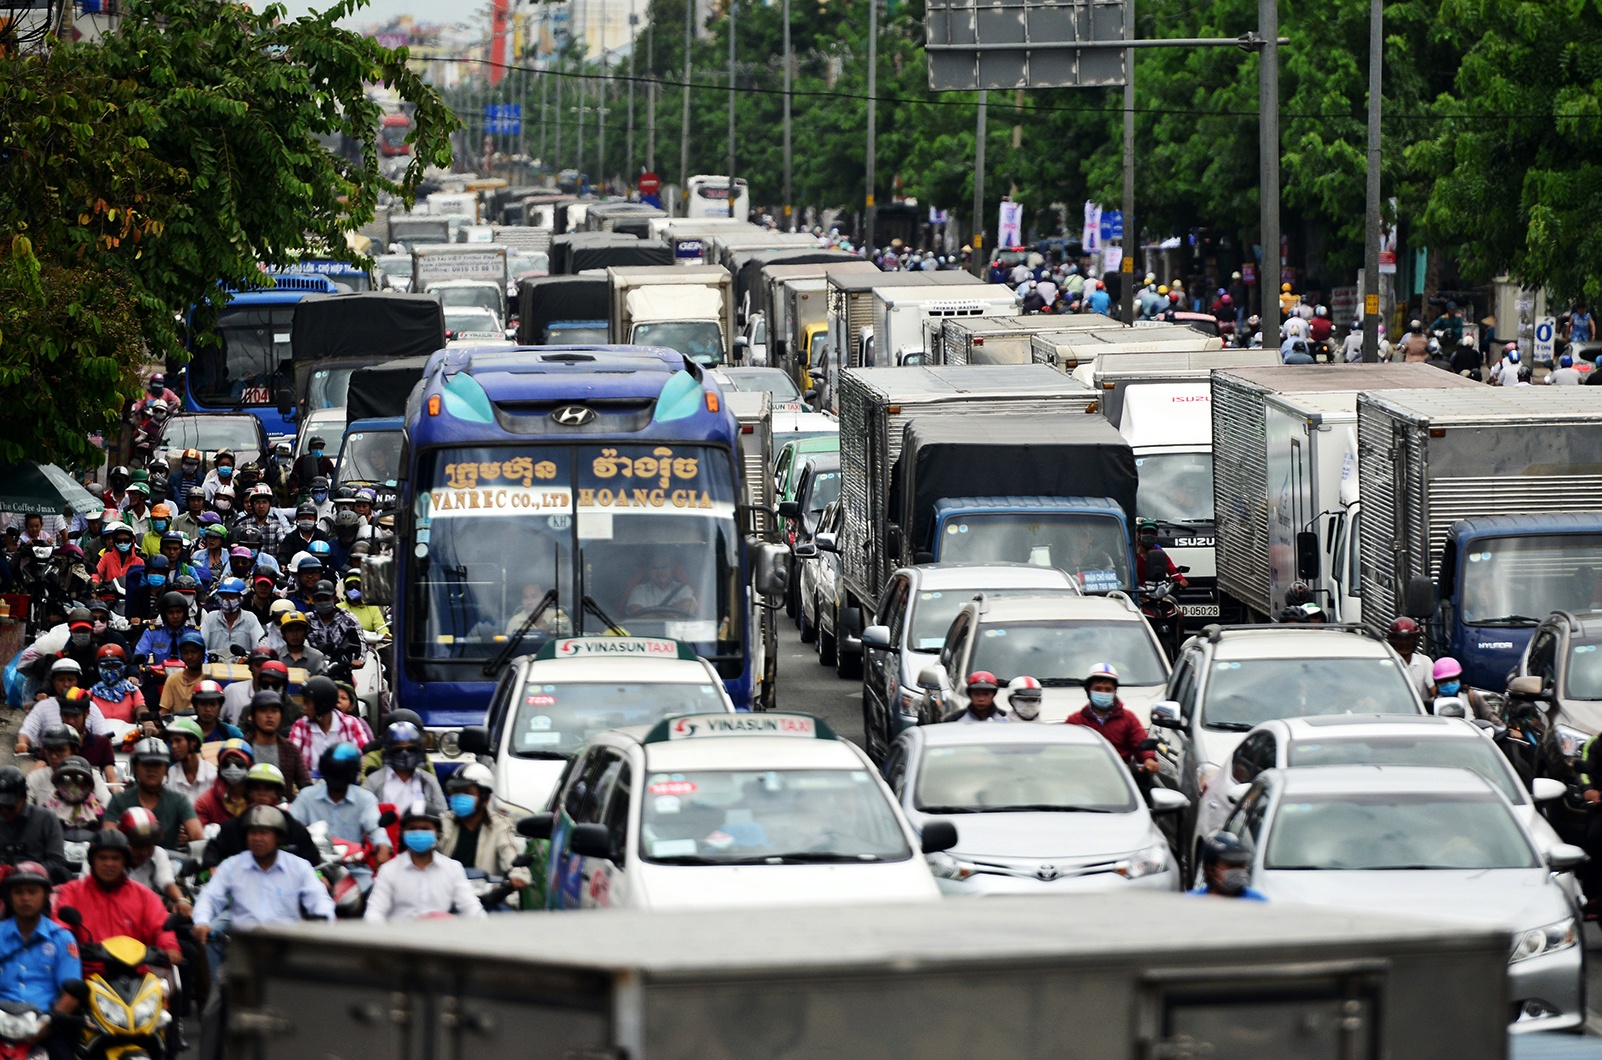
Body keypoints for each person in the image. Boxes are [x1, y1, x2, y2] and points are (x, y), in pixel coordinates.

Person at [192, 805, 335, 951]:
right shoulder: (231, 866)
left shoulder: (299, 867)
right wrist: (202, 922)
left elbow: (319, 900)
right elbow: (210, 897)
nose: (257, 838)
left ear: (278, 837)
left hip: (286, 947)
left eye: (263, 833)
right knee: (210, 942)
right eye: (252, 833)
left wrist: (323, 923)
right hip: (242, 947)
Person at [52, 829, 181, 968]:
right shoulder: (71, 891)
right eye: (102, 858)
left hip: (136, 975)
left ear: (125, 862)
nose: (109, 864)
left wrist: (170, 948)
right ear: (92, 861)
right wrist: (68, 948)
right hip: (87, 975)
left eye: (115, 858)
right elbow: (60, 929)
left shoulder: (144, 895)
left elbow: (161, 927)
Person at [0, 861, 82, 1060]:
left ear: (46, 894)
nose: (25, 898)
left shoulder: (63, 938)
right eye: (18, 892)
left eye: (32, 891)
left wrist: (45, 1027)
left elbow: (71, 994)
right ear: (10, 897)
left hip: (45, 1026)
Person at [289, 742, 393, 883]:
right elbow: (291, 828)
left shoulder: (365, 799)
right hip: (314, 870)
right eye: (332, 770)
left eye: (341, 771)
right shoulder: (307, 797)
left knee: (373, 892)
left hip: (354, 870)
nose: (336, 775)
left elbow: (375, 829)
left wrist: (383, 847)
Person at [364, 802, 485, 922]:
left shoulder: (453, 868)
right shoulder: (389, 870)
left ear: (437, 832)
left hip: (440, 937)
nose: (418, 833)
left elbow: (471, 908)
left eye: (425, 829)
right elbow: (374, 913)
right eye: (412, 829)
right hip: (400, 939)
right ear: (402, 832)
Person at [202, 765, 320, 869]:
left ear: (277, 793)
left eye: (268, 788)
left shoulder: (293, 827)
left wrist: (320, 877)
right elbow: (213, 852)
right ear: (249, 792)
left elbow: (313, 861)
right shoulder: (233, 827)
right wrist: (213, 869)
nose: (261, 793)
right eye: (256, 788)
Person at [440, 764, 531, 897]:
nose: (460, 797)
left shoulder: (499, 825)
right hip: (444, 896)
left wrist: (517, 875)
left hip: (484, 899)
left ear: (485, 798)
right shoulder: (444, 822)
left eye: (467, 792)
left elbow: (510, 854)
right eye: (456, 792)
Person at [105, 739, 201, 848]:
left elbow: (197, 836)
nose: (151, 769)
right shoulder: (119, 800)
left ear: (166, 769)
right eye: (146, 764)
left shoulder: (179, 800)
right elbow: (108, 839)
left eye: (157, 765)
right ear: (136, 767)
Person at [1066, 663, 1159, 774]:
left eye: (1108, 689)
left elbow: (1140, 743)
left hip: (1121, 777)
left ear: (1115, 692)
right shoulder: (1075, 721)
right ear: (1088, 691)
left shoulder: (1128, 719)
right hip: (1083, 777)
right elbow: (1064, 752)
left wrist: (1149, 759)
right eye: (1098, 689)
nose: (1103, 693)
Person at [285, 676, 373, 778]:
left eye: (307, 703)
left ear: (322, 704)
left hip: (345, 784)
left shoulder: (350, 724)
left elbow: (365, 757)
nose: (304, 708)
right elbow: (291, 761)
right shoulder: (301, 726)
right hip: (310, 786)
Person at [0, 767, 68, 882]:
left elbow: (57, 861)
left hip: (39, 884)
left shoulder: (46, 819)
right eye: (0, 807)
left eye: (10, 807)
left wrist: (25, 872)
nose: (4, 811)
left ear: (23, 798)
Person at [364, 721, 446, 815]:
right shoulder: (373, 781)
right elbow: (364, 814)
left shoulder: (428, 781)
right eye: (398, 750)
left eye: (411, 749)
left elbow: (441, 814)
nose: (405, 754)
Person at [241, 691, 311, 792]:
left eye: (274, 711)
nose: (269, 716)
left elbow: (306, 785)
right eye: (263, 711)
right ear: (253, 716)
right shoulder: (241, 747)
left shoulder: (290, 749)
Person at [1189, 832, 1267, 900]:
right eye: (1231, 865)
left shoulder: (1258, 903)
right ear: (1210, 870)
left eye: (1241, 865)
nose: (1238, 871)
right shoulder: (1192, 902)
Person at [201, 577, 264, 657]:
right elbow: (201, 643)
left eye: (231, 597)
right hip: (215, 665)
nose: (226, 600)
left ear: (242, 598)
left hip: (241, 666)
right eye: (224, 597)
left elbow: (259, 646)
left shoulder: (250, 618)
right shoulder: (211, 617)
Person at [195, 741, 253, 827]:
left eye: (239, 763)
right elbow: (198, 835)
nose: (232, 768)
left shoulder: (259, 798)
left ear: (250, 766)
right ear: (220, 768)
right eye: (227, 763)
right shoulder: (205, 803)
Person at [305, 579, 362, 667]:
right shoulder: (307, 620)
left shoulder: (349, 619)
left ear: (335, 598)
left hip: (342, 668)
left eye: (326, 599)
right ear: (313, 601)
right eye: (319, 600)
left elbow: (361, 644)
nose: (322, 602)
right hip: (312, 668)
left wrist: (358, 660)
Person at [39, 755, 105, 830]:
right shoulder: (46, 811)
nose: (73, 786)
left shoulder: (98, 813)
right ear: (57, 783)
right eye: (66, 780)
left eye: (79, 780)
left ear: (89, 784)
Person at [222, 652, 284, 727]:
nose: (262, 670)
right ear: (250, 668)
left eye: (267, 666)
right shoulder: (232, 690)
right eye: (258, 665)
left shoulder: (284, 698)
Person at [625, 555, 699, 618]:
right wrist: (672, 613)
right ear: (649, 572)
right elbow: (635, 612)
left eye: (664, 567)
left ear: (671, 570)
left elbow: (689, 607)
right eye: (655, 568)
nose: (660, 572)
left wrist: (651, 613)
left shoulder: (684, 588)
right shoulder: (639, 590)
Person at [86, 643, 143, 724]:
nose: (110, 671)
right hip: (99, 735)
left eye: (115, 666)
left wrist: (146, 721)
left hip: (128, 735)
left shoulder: (132, 691)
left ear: (124, 666)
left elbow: (140, 706)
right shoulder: (91, 694)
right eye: (105, 667)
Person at [162, 716, 216, 801]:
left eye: (178, 740)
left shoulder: (213, 775)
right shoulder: (169, 777)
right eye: (171, 742)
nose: (173, 746)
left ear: (193, 742)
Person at [157, 629, 208, 717]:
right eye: (185, 653)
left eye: (194, 652)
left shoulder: (209, 677)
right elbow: (164, 710)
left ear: (202, 653)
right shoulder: (173, 679)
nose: (190, 656)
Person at [1386, 617, 1433, 699]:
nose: (1404, 643)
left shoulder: (1425, 662)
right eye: (1399, 639)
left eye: (1408, 639)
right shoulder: (1386, 664)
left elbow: (1434, 689)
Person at [1134, 519, 1188, 588]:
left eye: (1152, 533)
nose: (1149, 535)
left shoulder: (1159, 553)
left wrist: (1181, 580)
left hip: (1155, 591)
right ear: (1139, 534)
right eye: (1145, 533)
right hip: (1137, 592)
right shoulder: (1133, 553)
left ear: (1156, 535)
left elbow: (1172, 570)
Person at [275, 611, 328, 677]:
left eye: (298, 630)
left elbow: (323, 683)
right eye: (290, 630)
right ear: (283, 634)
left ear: (305, 632)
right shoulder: (276, 656)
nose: (295, 634)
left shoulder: (316, 657)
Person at [339, 571, 389, 635]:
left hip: (369, 643)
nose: (354, 590)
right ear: (345, 590)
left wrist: (385, 634)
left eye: (357, 586)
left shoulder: (372, 607)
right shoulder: (339, 608)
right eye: (350, 586)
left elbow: (381, 627)